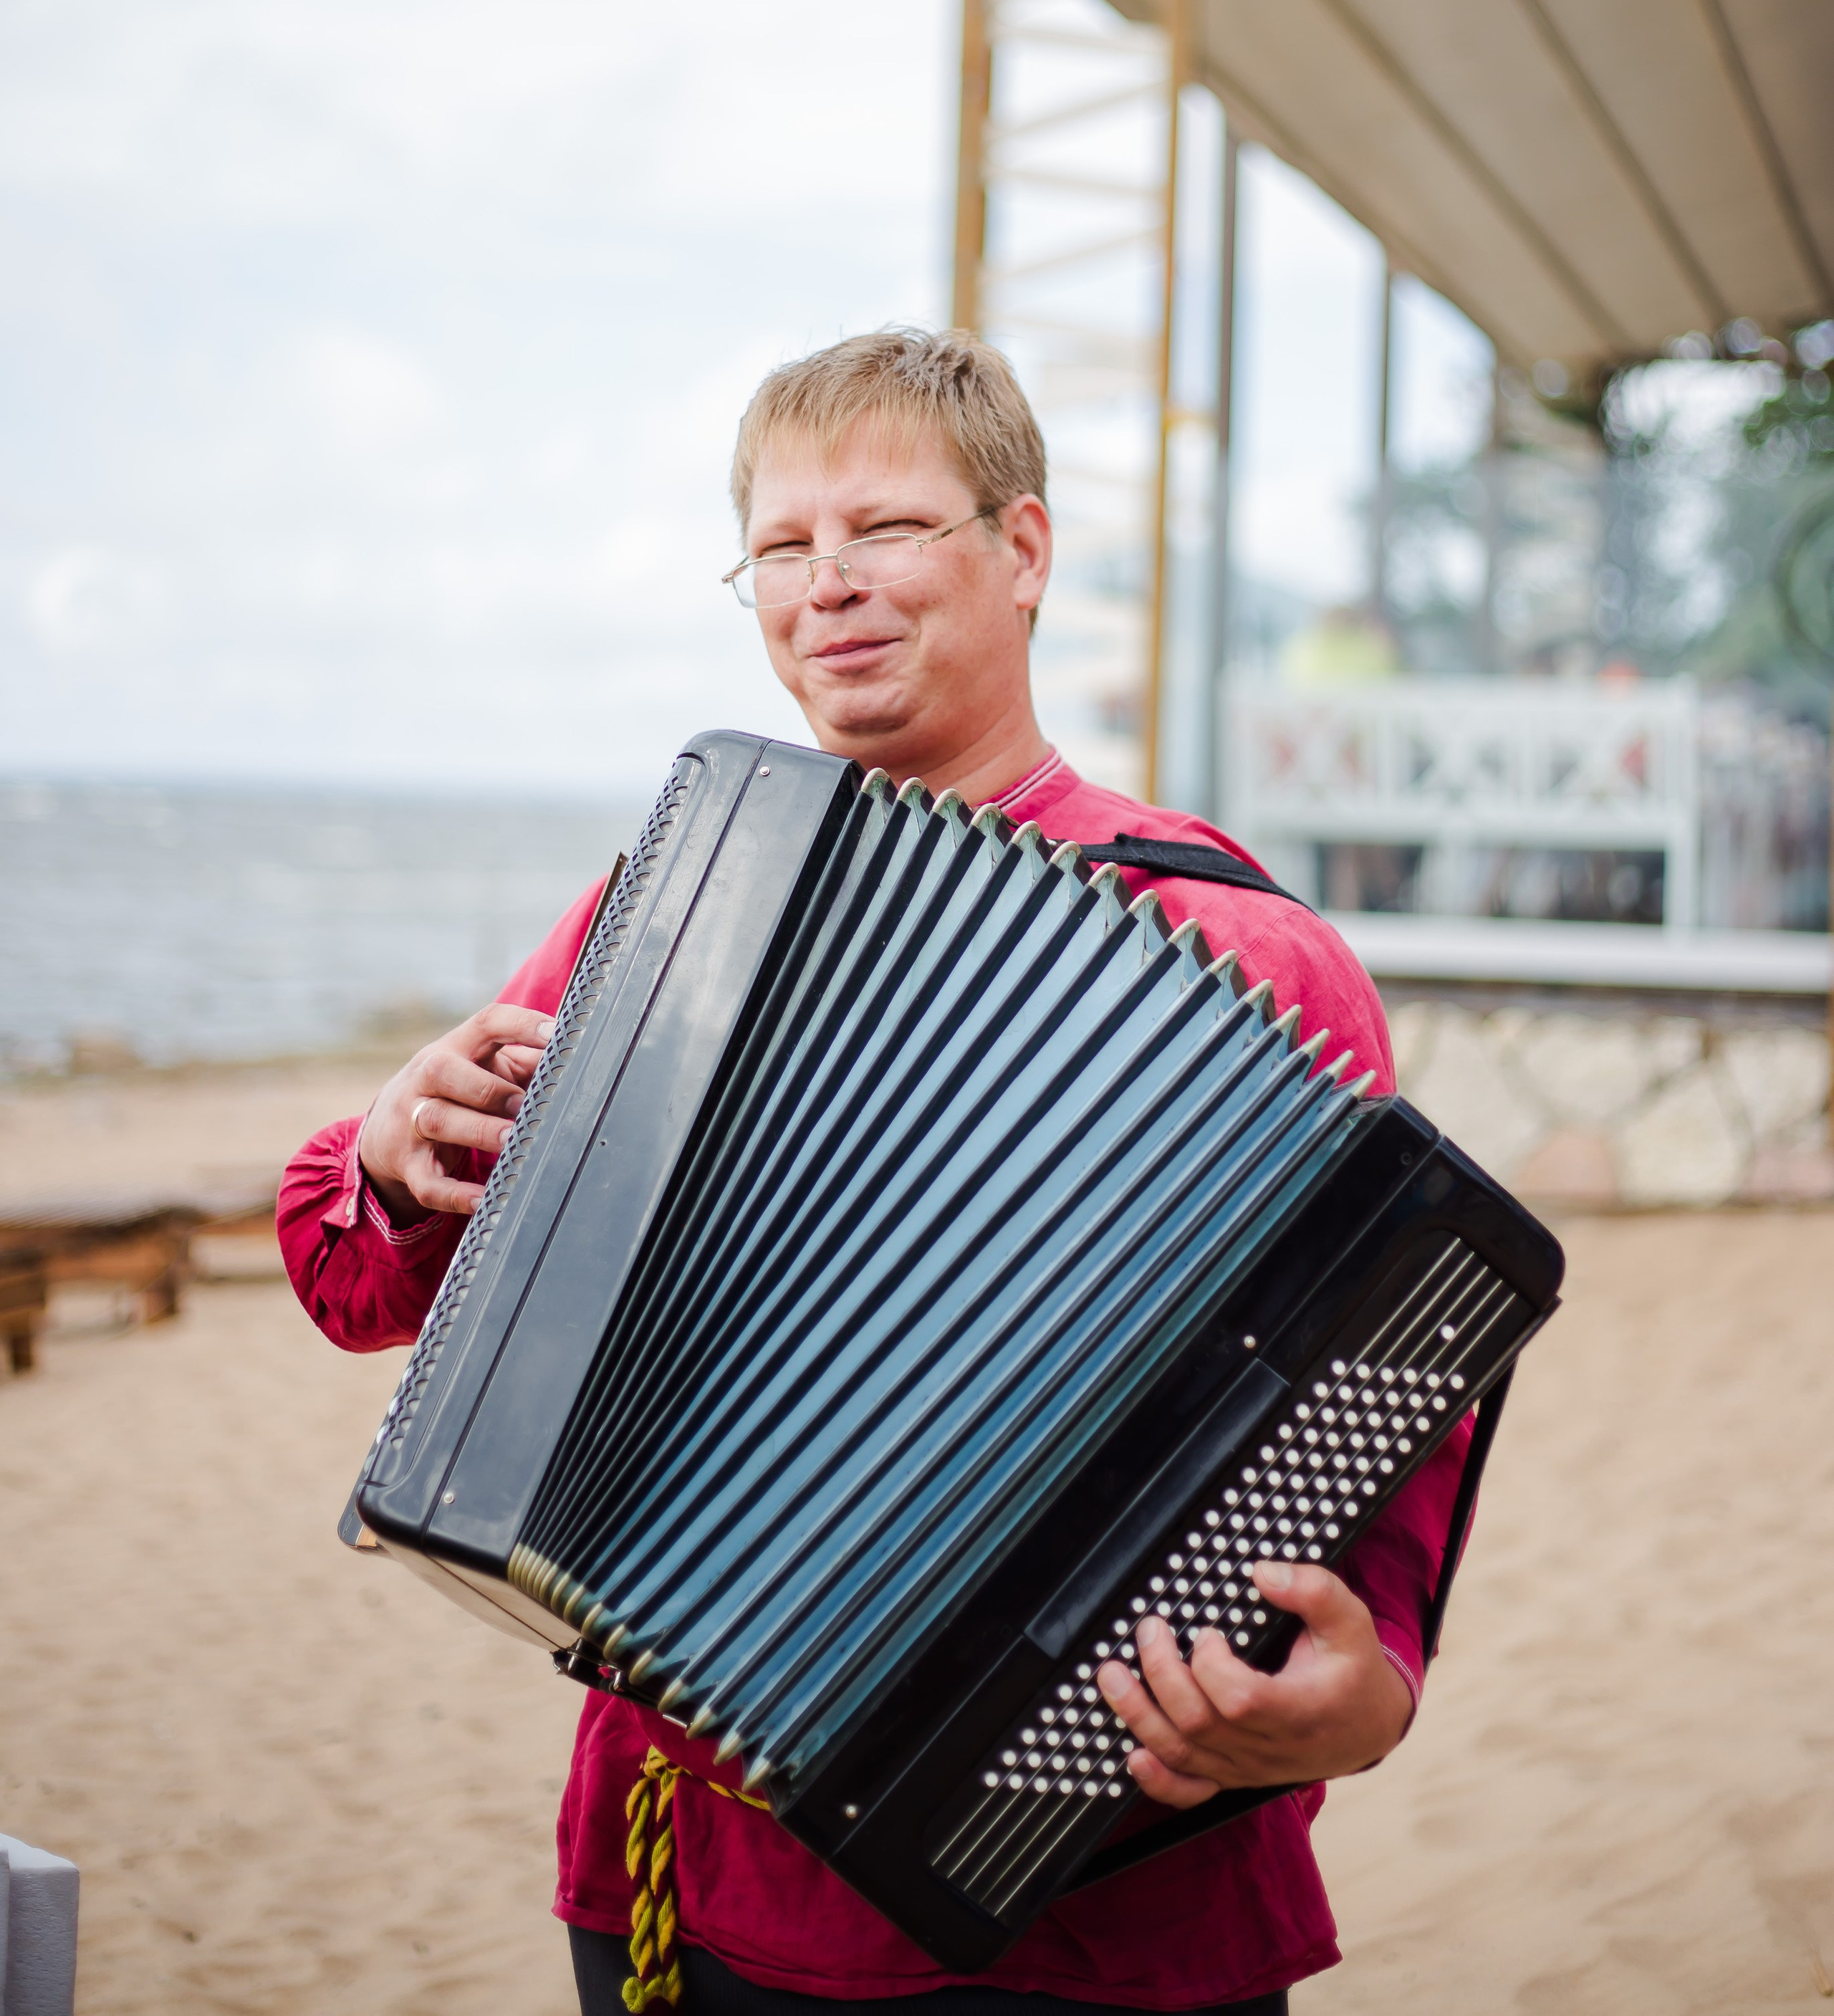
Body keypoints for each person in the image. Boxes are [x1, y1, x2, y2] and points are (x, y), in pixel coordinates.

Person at [279, 328, 1471, 2016]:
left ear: (1024, 551)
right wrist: (393, 1156)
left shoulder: (1240, 956)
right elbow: (362, 1293)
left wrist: (1371, 1691)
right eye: (781, 547)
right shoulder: (681, 904)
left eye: (889, 529)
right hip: (680, 1884)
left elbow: (1380, 1397)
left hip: (1087, 1923)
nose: (826, 585)